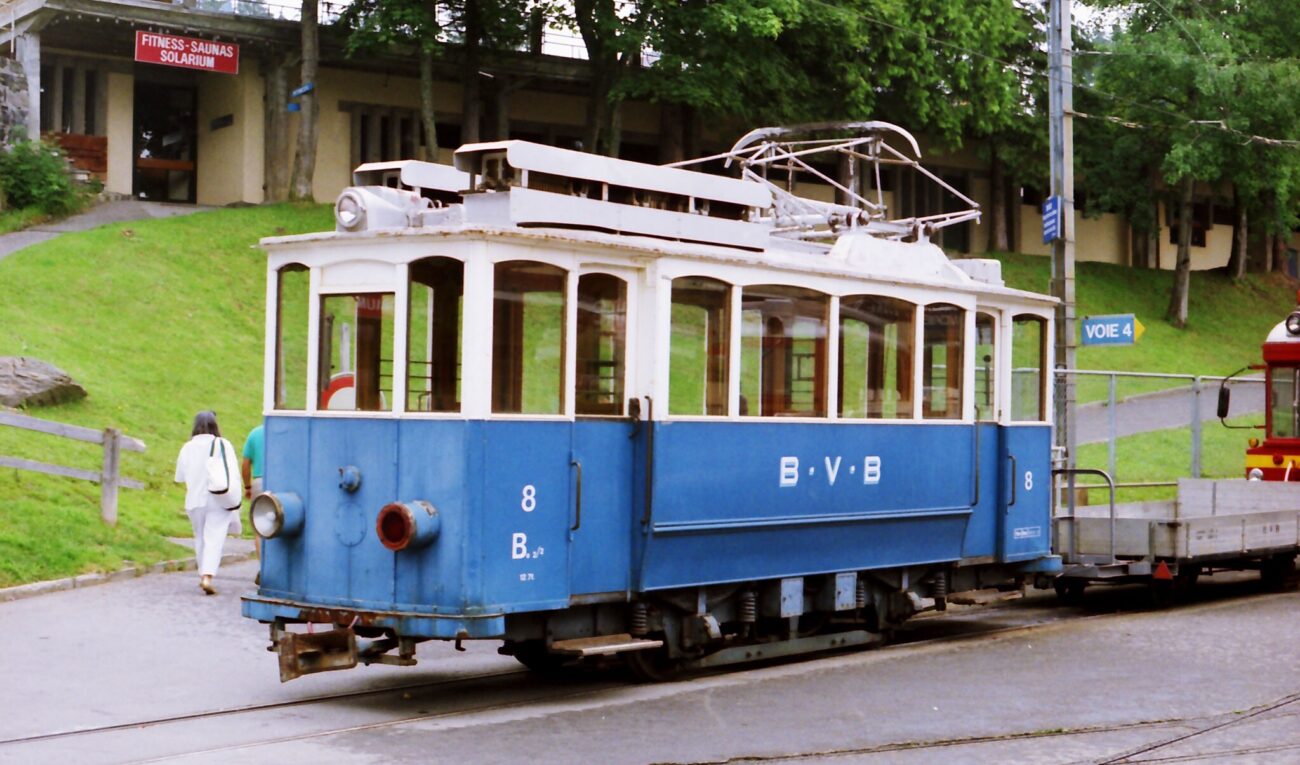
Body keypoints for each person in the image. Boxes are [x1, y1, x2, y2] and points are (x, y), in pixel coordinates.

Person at [174, 411, 242, 595]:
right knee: (214, 537)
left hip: (194, 499)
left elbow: (179, 476)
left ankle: (201, 574)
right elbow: (232, 473)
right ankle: (207, 576)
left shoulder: (187, 447)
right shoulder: (222, 444)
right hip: (217, 497)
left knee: (200, 537)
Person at [241, 423, 264, 565]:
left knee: (260, 528)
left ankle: (263, 567)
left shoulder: (255, 433)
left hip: (259, 482)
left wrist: (248, 486)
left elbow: (245, 463)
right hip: (283, 481)